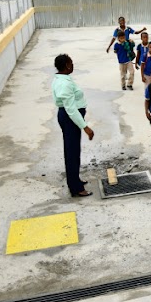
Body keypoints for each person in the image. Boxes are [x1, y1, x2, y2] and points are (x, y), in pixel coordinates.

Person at [51, 54, 94, 198]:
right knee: (71, 153)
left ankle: (75, 179)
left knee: (74, 151)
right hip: (70, 120)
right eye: (71, 63)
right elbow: (71, 109)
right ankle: (76, 188)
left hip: (70, 119)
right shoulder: (64, 83)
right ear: (67, 65)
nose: (73, 65)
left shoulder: (62, 78)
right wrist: (85, 127)